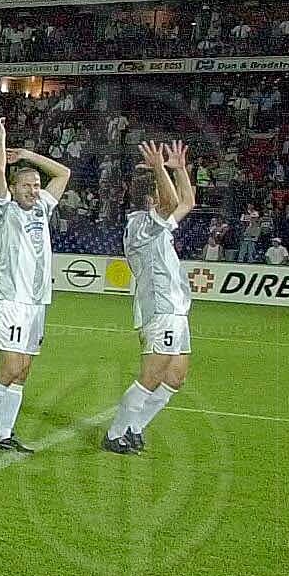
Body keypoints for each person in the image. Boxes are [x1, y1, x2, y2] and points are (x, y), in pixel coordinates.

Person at [0, 117, 70, 453]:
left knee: (23, 370)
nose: (33, 190)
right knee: (10, 366)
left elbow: (64, 173)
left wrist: (28, 153)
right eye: (26, 185)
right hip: (10, 299)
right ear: (14, 189)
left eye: (36, 185)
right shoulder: (3, 210)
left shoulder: (42, 207)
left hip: (37, 302)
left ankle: (4, 434)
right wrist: (2, 136)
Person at [106, 142, 195, 455]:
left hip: (176, 311)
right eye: (159, 193)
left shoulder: (157, 226)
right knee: (152, 376)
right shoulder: (142, 226)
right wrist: (160, 168)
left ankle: (135, 427)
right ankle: (115, 434)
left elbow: (186, 200)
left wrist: (179, 168)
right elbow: (172, 202)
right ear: (150, 201)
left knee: (175, 378)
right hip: (160, 310)